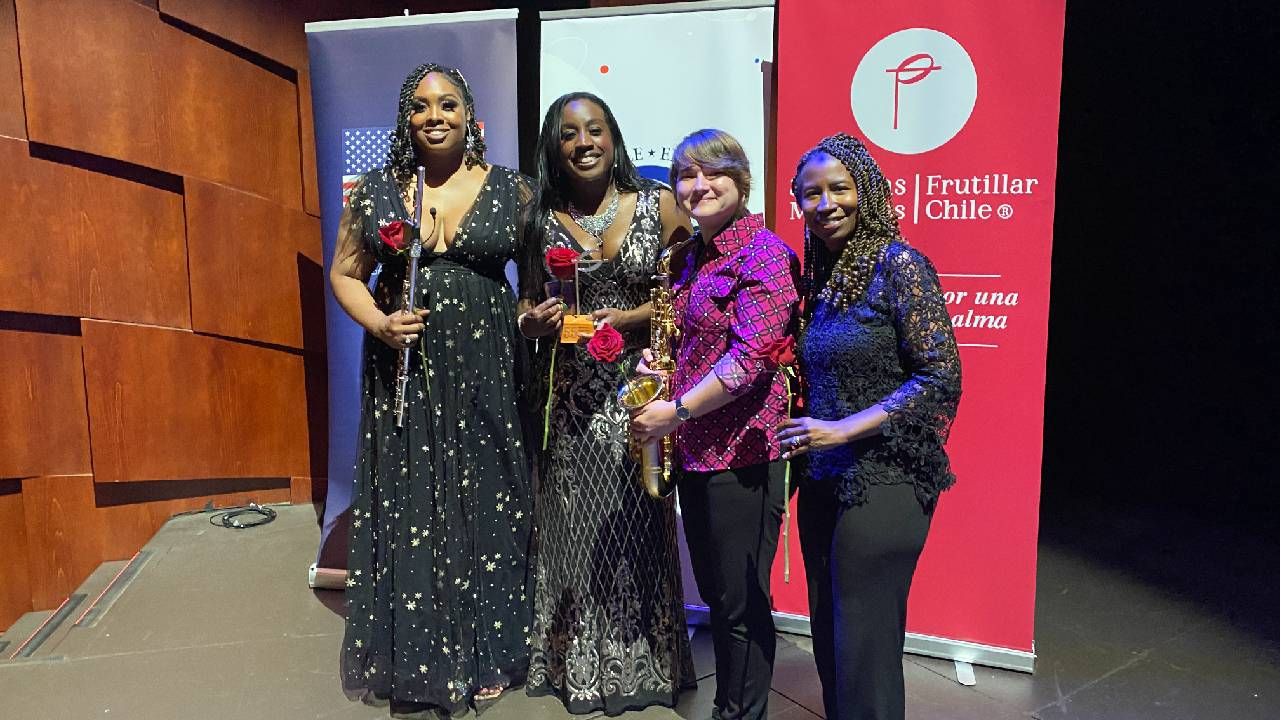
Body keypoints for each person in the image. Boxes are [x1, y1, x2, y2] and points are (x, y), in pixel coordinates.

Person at [329, 62, 535, 716]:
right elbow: (345, 275)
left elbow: (532, 289)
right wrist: (381, 324)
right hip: (406, 365)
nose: (434, 115)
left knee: (490, 499)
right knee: (416, 502)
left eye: (447, 104)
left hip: (488, 366)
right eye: (421, 106)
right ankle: (419, 651)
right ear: (406, 119)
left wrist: (534, 318)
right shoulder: (375, 191)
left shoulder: (517, 191)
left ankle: (488, 649)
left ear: (471, 117)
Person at [517, 91, 696, 714]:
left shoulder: (659, 204)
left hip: (639, 393)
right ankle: (578, 665)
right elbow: (526, 303)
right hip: (567, 403)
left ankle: (646, 660)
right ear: (555, 147)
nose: (584, 142)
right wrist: (533, 321)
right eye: (569, 134)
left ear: (614, 138)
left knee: (638, 522)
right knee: (574, 532)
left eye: (595, 130)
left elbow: (689, 295)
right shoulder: (539, 218)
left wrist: (632, 316)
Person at [778, 132, 961, 720]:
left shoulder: (899, 264)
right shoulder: (820, 275)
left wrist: (844, 428)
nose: (826, 203)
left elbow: (940, 379)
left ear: (870, 193)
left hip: (886, 479)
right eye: (811, 194)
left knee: (864, 644)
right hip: (825, 480)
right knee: (833, 641)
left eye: (839, 189)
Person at [630, 128, 800, 720]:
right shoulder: (687, 257)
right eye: (686, 175)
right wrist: (659, 366)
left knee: (740, 607)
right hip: (697, 450)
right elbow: (688, 342)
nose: (698, 186)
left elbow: (750, 358)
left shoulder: (768, 255)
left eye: (713, 173)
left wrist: (674, 410)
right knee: (719, 595)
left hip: (745, 453)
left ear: (741, 181)